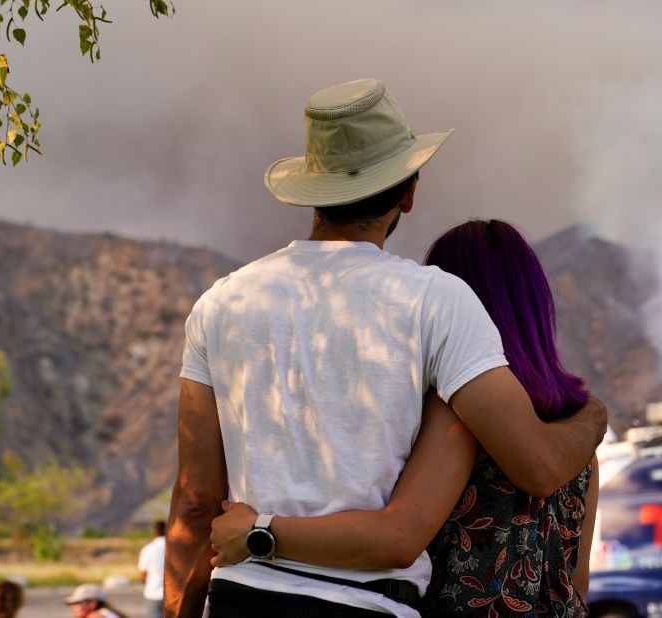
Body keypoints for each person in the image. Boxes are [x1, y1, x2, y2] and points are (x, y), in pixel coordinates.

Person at [166, 78, 607, 617]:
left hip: (241, 598)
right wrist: (594, 417)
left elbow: (194, 501)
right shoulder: (436, 300)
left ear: (313, 191)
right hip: (366, 603)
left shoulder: (220, 304)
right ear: (409, 191)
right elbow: (536, 468)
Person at [210, 219, 600, 617]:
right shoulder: (576, 438)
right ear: (535, 304)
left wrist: (259, 530)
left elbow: (397, 536)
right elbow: (576, 579)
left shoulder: (454, 417)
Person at [137, 520, 166, 617]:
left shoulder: (147, 549)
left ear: (154, 531)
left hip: (153, 592)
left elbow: (142, 575)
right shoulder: (174, 549)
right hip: (173, 593)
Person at [64, 583, 129, 618]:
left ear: (92, 603)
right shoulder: (106, 613)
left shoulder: (95, 616)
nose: (73, 607)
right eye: (72, 604)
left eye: (77, 603)